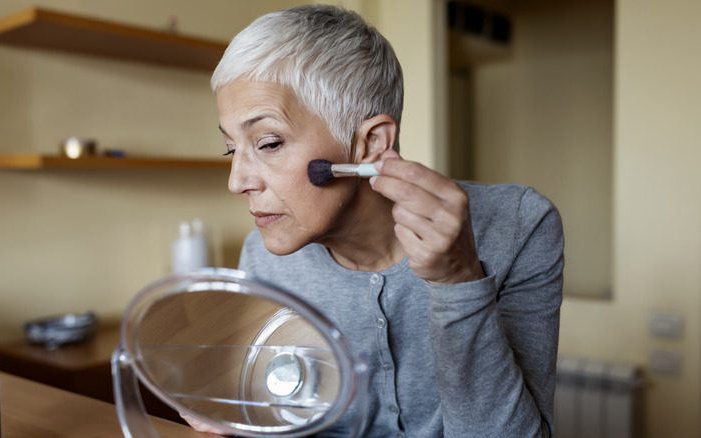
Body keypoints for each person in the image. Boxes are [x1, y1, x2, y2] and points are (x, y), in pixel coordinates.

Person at [209, 4, 563, 437]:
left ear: (371, 143)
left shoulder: (519, 225)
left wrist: (460, 283)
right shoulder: (262, 258)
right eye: (231, 149)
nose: (237, 181)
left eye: (268, 143)